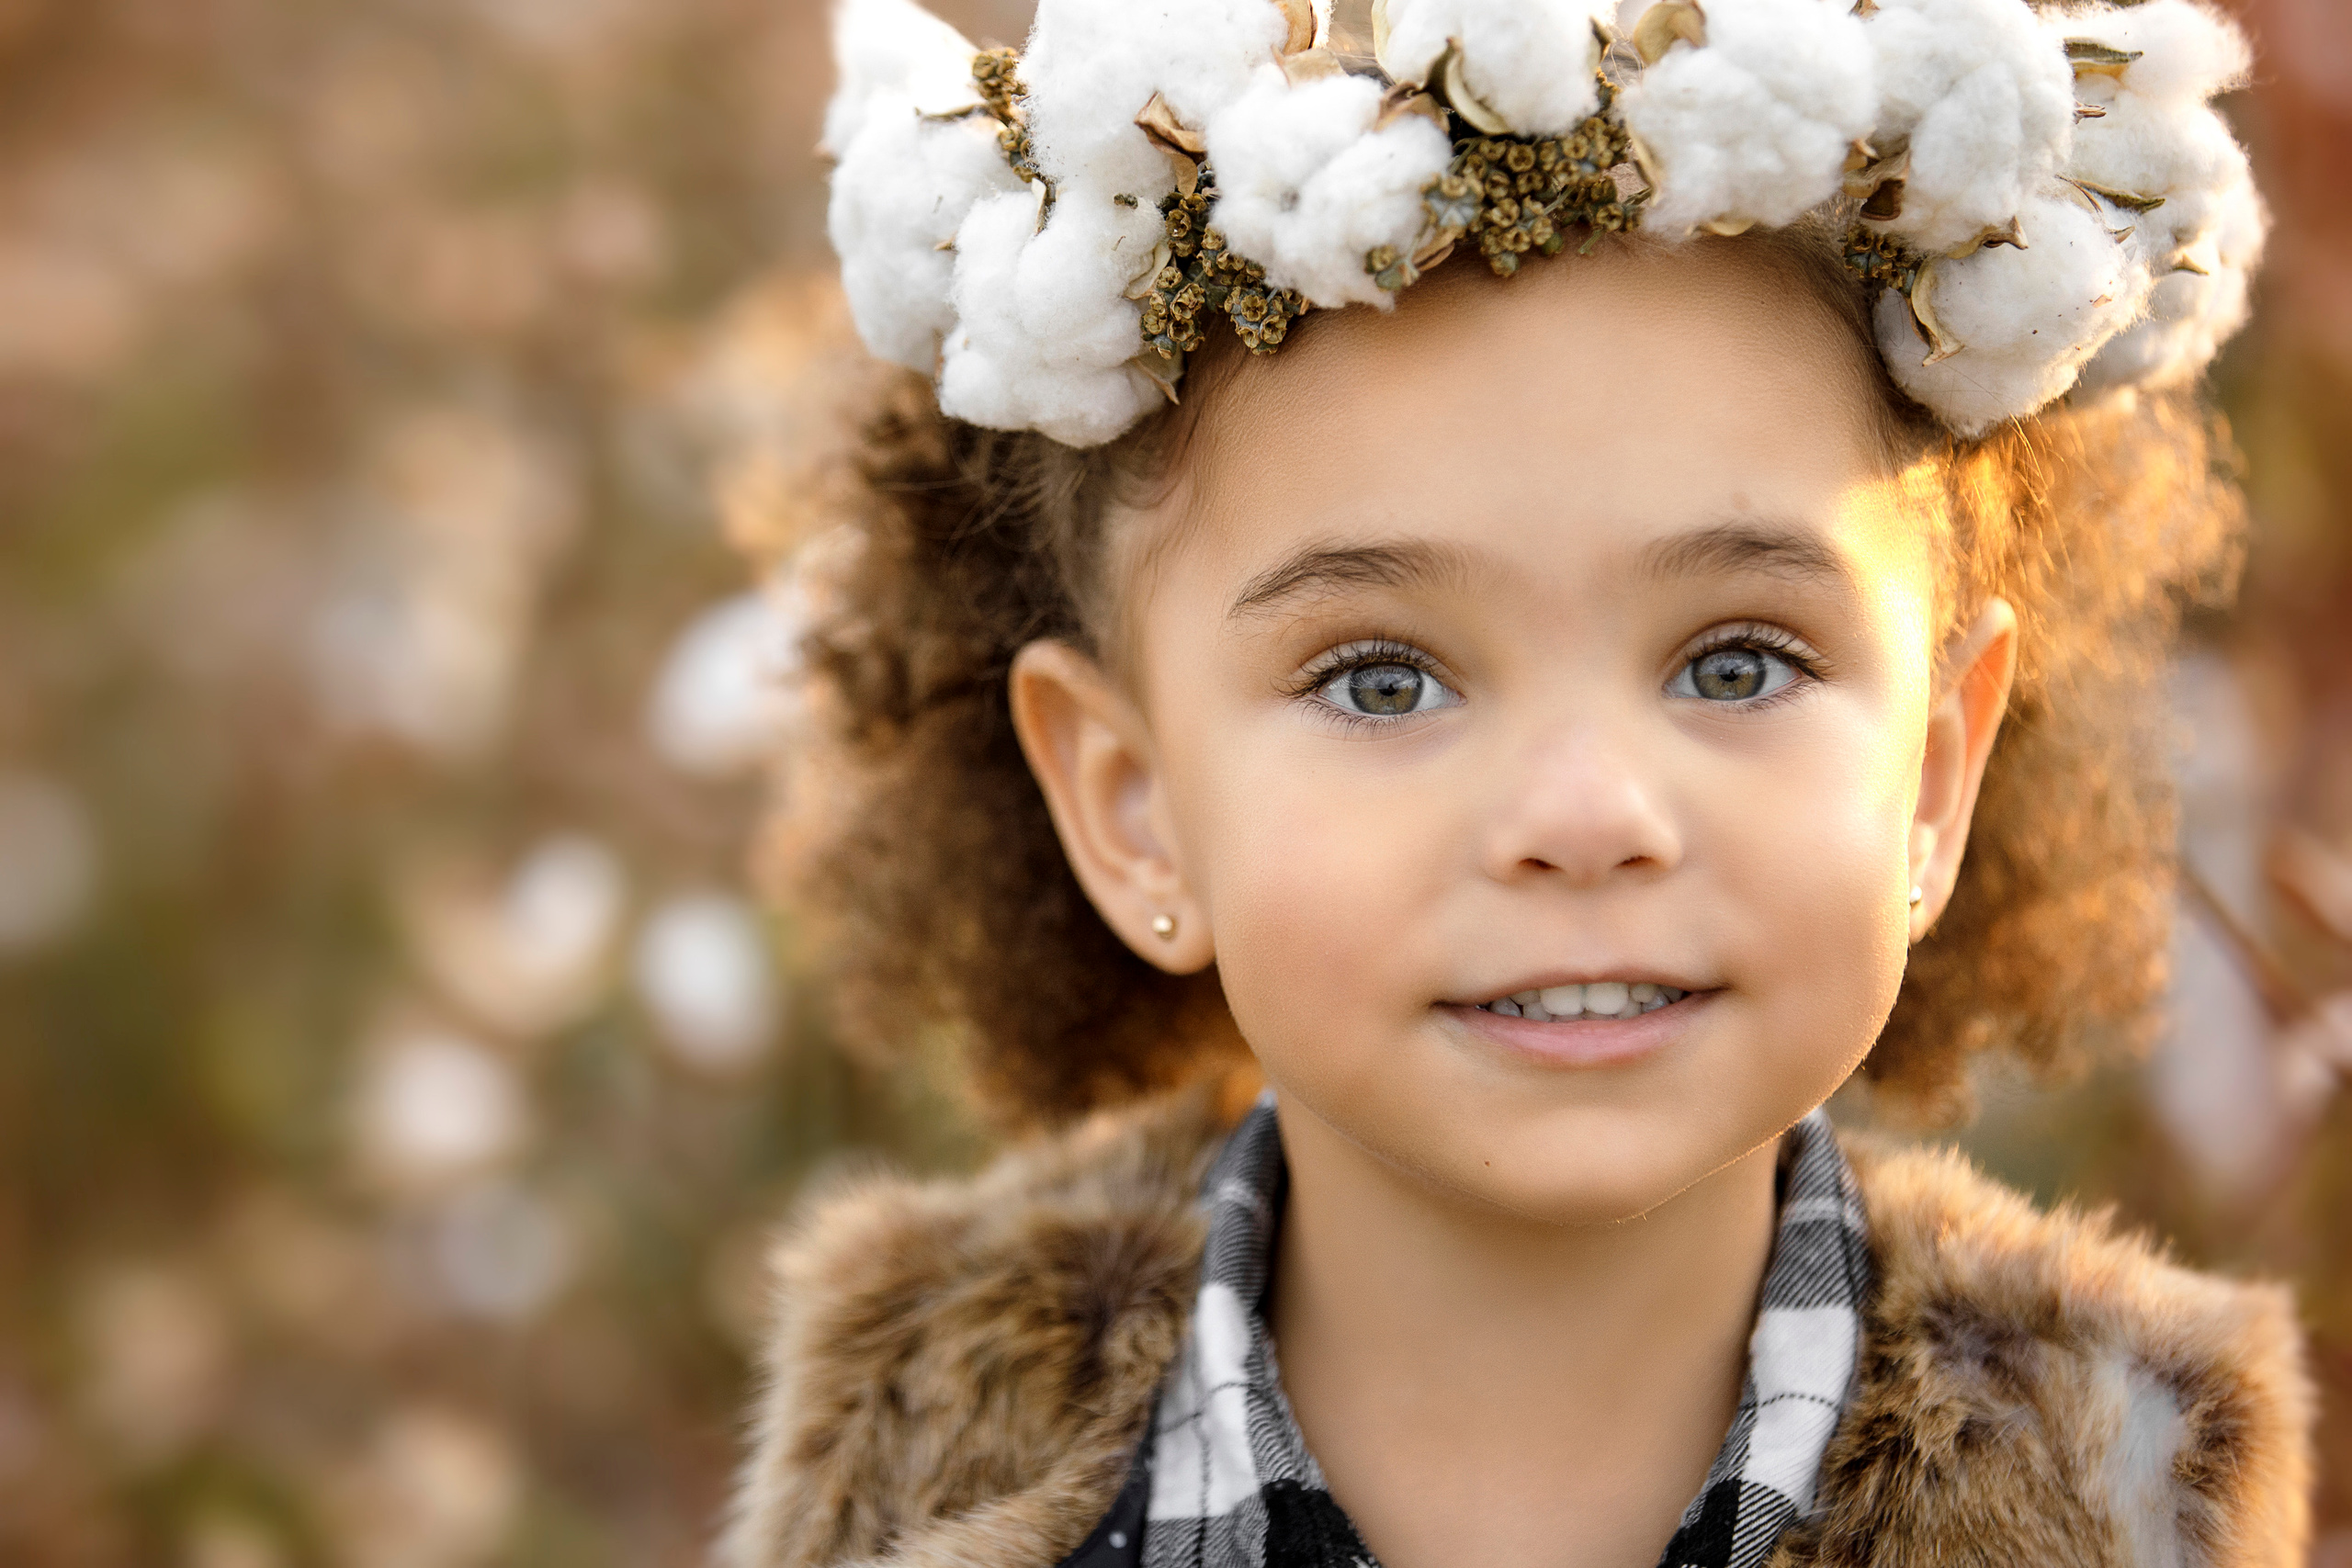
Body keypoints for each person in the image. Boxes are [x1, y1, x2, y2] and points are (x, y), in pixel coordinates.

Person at [721, 0, 2314, 1563]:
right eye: (1383, 680)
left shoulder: (2140, 1499)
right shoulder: (902, 1494)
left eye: (1736, 662)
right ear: (1134, 808)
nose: (1584, 818)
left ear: (1935, 774)